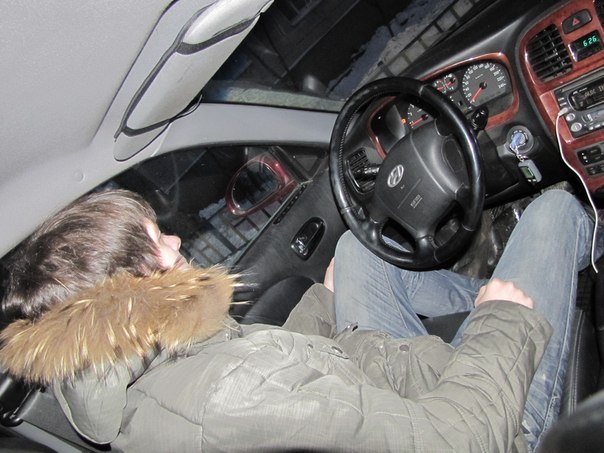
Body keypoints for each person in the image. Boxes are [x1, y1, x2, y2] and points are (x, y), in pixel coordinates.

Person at [0, 188, 589, 451]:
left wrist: (322, 302)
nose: (176, 242)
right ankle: (519, 294)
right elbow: (459, 442)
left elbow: (275, 383)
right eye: (157, 242)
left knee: (357, 253)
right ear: (128, 294)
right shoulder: (225, 398)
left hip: (378, 386)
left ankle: (498, 290)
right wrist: (500, 324)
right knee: (556, 211)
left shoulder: (147, 373)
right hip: (487, 423)